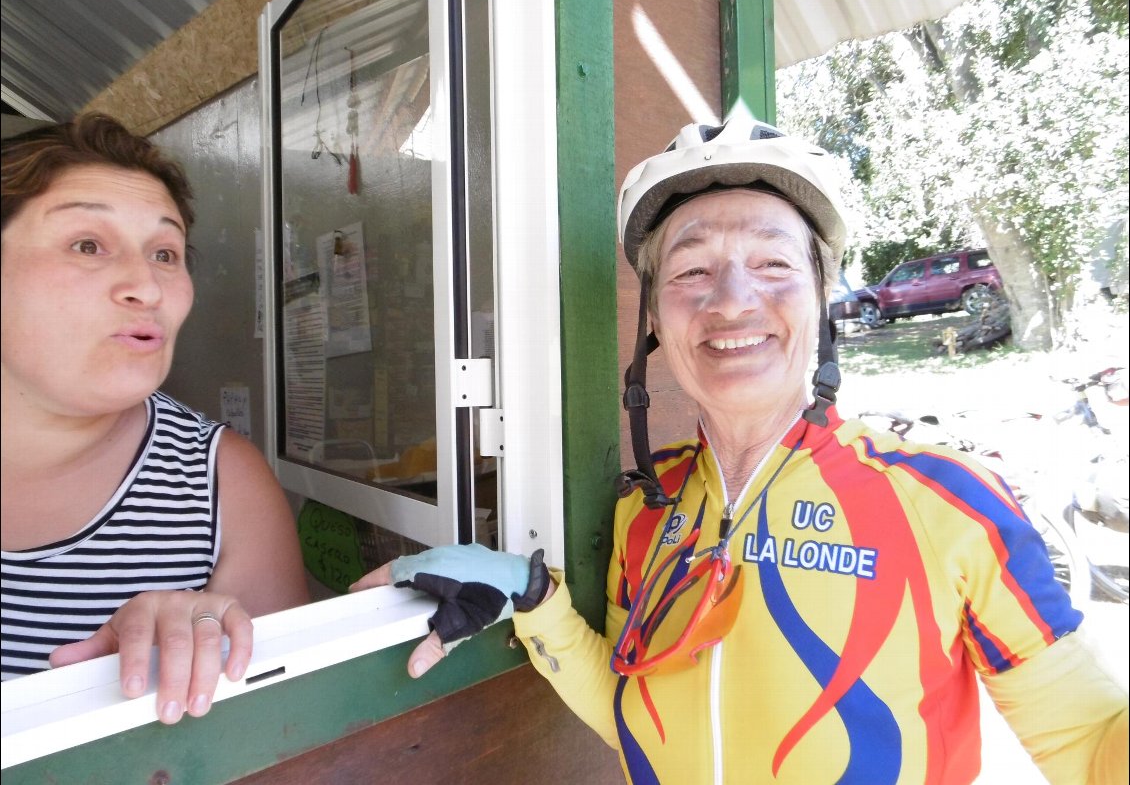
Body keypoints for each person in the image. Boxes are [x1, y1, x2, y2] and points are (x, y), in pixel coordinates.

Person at [352, 117, 1128, 783]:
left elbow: (1092, 741)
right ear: (655, 317)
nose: (732, 300)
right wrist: (534, 600)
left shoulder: (949, 505)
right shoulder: (642, 515)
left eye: (773, 264)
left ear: (821, 299)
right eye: (692, 269)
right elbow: (638, 715)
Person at [1, 114, 309, 724]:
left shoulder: (220, 483)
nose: (147, 284)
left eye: (165, 253)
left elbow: (285, 730)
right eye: (87, 244)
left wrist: (210, 653)